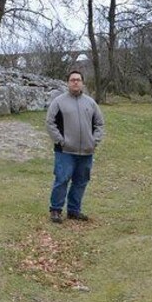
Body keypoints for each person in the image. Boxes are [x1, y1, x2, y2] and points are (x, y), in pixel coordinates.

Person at [45, 70, 105, 223]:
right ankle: (56, 210)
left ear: (82, 83)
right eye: (72, 80)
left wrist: (94, 140)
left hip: (86, 151)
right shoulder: (58, 102)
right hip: (65, 150)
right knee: (62, 179)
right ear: (68, 83)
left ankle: (74, 210)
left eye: (78, 80)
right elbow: (50, 123)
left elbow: (99, 123)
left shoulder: (90, 103)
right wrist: (60, 140)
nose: (75, 82)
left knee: (81, 181)